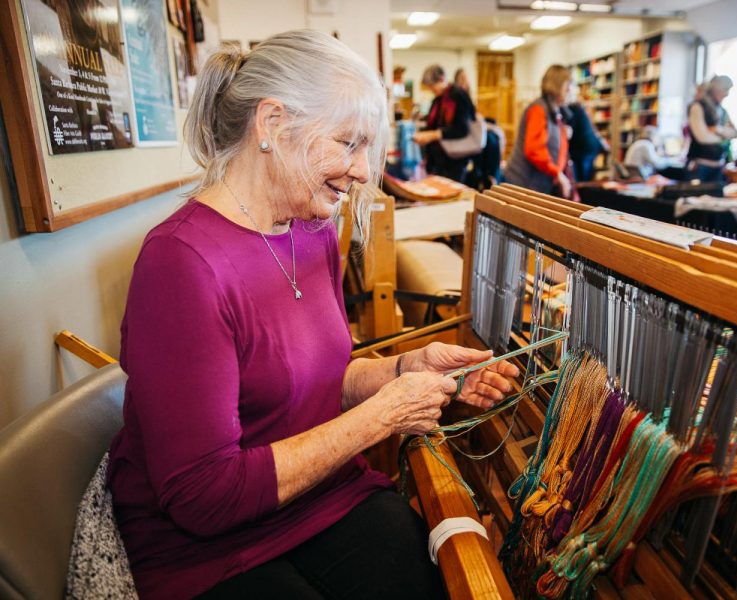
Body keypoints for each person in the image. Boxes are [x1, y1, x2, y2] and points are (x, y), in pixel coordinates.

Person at [107, 31, 518, 600]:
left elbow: (320, 381)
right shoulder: (182, 264)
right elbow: (203, 495)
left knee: (417, 573)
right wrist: (382, 418)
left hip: (317, 495)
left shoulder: (313, 229)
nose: (360, 172)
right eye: (347, 144)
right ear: (273, 124)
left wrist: (407, 370)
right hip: (207, 548)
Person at [504, 64, 574, 199]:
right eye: (568, 84)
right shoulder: (539, 109)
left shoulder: (553, 109)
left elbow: (548, 137)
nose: (570, 89)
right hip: (523, 184)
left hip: (536, 185)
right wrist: (557, 173)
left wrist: (562, 134)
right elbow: (534, 149)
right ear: (558, 85)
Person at [413, 64, 477, 182]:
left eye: (433, 86)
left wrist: (432, 135)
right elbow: (434, 123)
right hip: (439, 160)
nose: (431, 90)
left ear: (442, 79)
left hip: (454, 160)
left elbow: (461, 129)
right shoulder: (438, 99)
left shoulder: (458, 95)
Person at [685, 75, 737, 183]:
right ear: (715, 88)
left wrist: (718, 130)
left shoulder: (722, 111)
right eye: (725, 89)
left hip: (718, 166)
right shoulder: (697, 107)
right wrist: (723, 138)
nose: (727, 94)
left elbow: (735, 133)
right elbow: (703, 137)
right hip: (699, 166)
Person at [565, 100, 608, 182]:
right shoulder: (579, 110)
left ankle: (581, 190)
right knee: (585, 175)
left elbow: (569, 133)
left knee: (582, 178)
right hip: (591, 146)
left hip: (584, 149)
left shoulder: (572, 110)